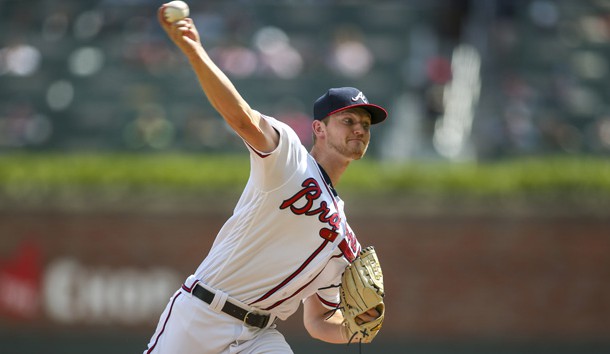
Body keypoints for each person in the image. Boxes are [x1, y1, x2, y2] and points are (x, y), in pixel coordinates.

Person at [144, 4, 388, 354]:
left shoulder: (344, 241)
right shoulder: (288, 157)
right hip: (201, 315)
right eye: (348, 121)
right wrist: (196, 52)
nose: (359, 129)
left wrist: (356, 328)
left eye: (365, 125)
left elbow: (319, 321)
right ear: (318, 128)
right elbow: (242, 119)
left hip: (260, 336)